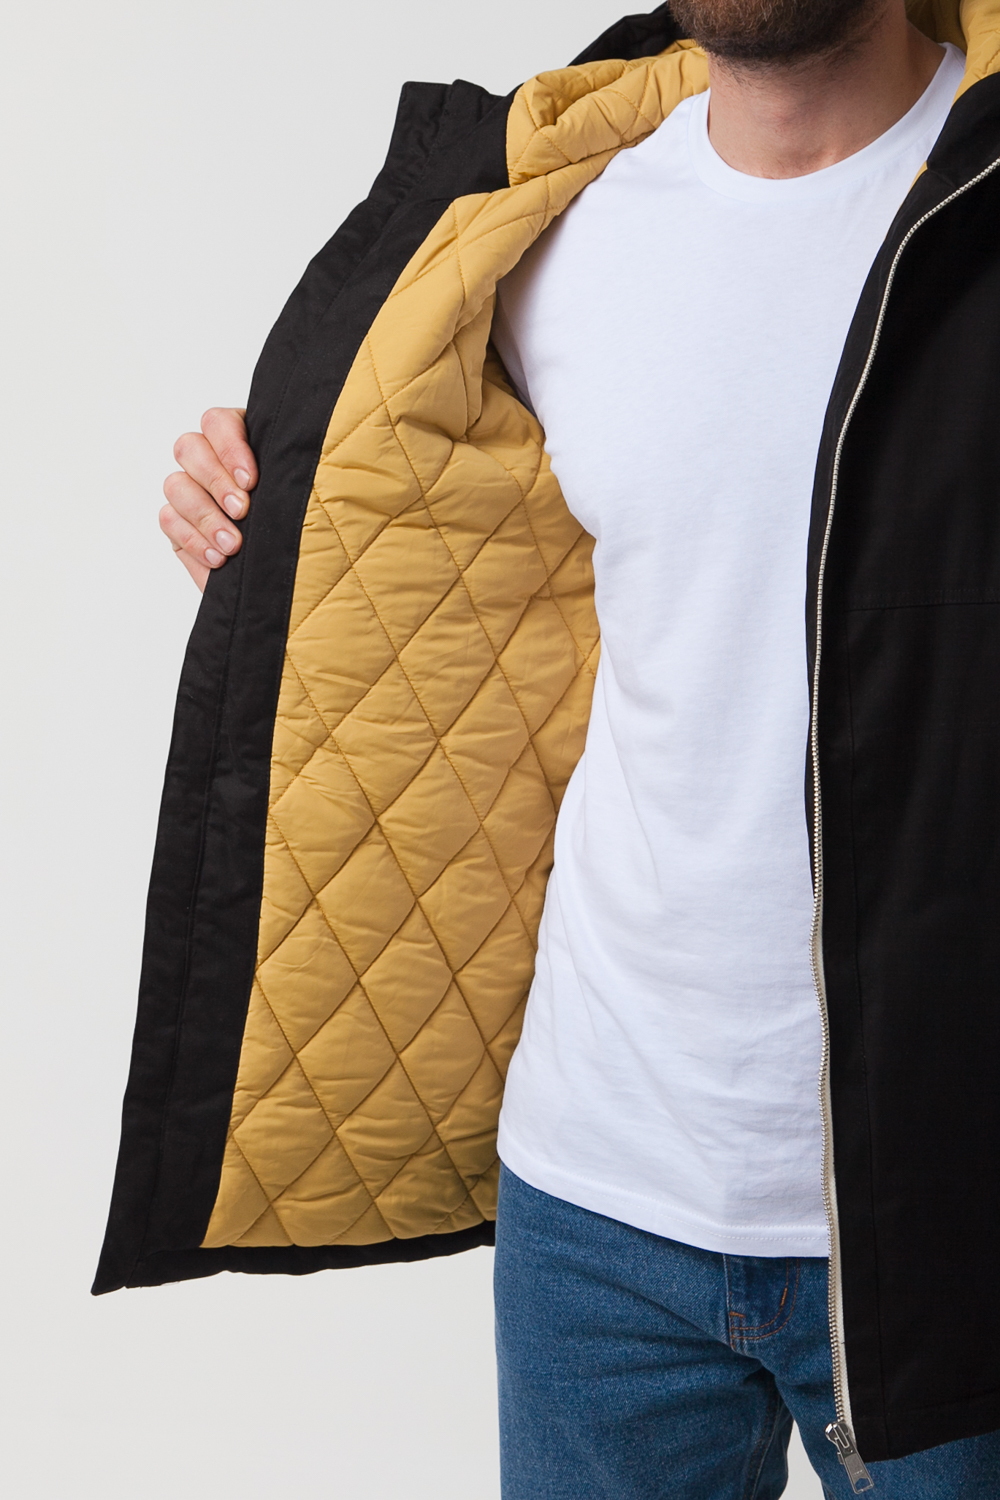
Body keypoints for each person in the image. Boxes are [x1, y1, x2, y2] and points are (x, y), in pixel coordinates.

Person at [108, 1, 1000, 1495]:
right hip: (597, 1196)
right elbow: (416, 540)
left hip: (947, 1195)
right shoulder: (555, 228)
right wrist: (262, 506)